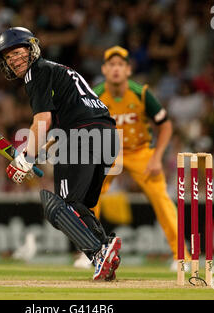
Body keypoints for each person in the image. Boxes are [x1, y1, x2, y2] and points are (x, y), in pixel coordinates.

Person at [0, 27, 121, 281]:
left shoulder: (37, 73)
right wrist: (33, 153)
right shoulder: (59, 70)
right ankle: (105, 248)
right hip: (107, 137)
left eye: (17, 53)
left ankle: (99, 251)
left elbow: (43, 119)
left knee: (59, 207)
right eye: (8, 58)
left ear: (32, 49)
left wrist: (26, 159)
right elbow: (64, 123)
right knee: (78, 205)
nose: (14, 60)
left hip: (81, 136)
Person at [74, 46, 190, 270]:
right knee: (89, 200)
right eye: (112, 65)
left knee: (162, 200)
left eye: (120, 65)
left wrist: (157, 157)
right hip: (108, 153)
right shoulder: (94, 94)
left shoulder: (141, 93)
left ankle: (181, 256)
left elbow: (165, 125)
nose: (116, 69)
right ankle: (89, 253)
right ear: (104, 69)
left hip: (140, 152)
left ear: (128, 70)